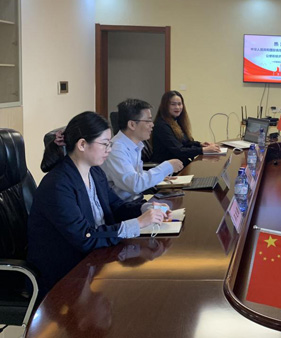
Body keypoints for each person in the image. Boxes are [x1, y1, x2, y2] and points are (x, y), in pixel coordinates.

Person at [28, 111, 171, 298]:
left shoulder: (95, 172)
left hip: (95, 258)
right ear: (82, 144)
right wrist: (138, 223)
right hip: (67, 272)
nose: (109, 149)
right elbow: (85, 237)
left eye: (110, 144)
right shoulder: (58, 185)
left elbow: (116, 207)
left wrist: (146, 208)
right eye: (105, 144)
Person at [102, 99, 184, 201]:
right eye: (148, 121)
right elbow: (135, 184)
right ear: (132, 124)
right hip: (124, 207)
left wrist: (159, 176)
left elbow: (133, 174)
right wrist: (167, 166)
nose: (152, 125)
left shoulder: (134, 145)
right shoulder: (116, 149)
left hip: (135, 202)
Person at [151, 90, 220, 165]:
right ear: (165, 106)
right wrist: (203, 150)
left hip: (179, 163)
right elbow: (179, 150)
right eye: (173, 104)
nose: (177, 107)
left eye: (179, 104)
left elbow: (185, 142)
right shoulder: (162, 125)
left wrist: (200, 144)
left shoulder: (175, 121)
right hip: (168, 167)